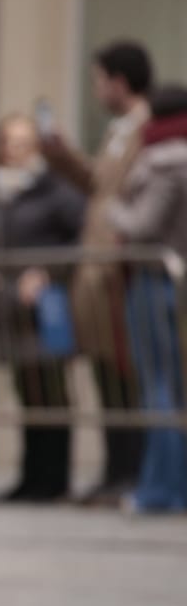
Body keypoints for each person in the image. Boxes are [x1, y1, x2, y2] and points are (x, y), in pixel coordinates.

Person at [42, 41, 153, 505]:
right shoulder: (118, 132)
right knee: (106, 376)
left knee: (128, 378)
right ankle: (114, 472)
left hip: (121, 269)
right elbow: (97, 186)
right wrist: (61, 155)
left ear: (119, 82)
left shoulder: (149, 129)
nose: (97, 89)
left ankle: (132, 472)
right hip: (97, 267)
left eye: (99, 79)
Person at [0, 114, 86, 502]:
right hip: (10, 310)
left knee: (52, 394)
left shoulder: (55, 190)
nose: (18, 150)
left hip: (48, 310)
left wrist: (46, 273)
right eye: (11, 142)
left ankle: (54, 479)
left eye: (26, 142)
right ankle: (30, 478)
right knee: (27, 392)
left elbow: (81, 238)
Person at [111, 85, 187, 513]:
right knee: (175, 390)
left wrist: (111, 211)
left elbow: (142, 224)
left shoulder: (162, 161)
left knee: (157, 388)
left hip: (155, 280)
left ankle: (162, 489)